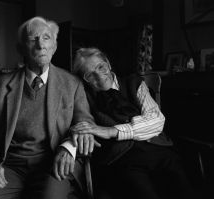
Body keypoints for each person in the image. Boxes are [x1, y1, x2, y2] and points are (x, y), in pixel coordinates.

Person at [0, 17, 95, 199]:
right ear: (21, 49)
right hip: (10, 166)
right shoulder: (0, 84)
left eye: (46, 38)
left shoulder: (72, 84)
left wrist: (68, 148)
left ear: (54, 47)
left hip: (52, 163)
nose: (41, 45)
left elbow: (84, 124)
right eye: (33, 39)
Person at [70, 47, 194, 199]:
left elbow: (156, 119)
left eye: (101, 67)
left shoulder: (134, 83)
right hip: (121, 158)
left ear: (108, 64)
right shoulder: (84, 97)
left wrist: (111, 131)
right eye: (90, 74)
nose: (100, 77)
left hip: (157, 148)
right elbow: (79, 123)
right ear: (84, 79)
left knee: (181, 185)